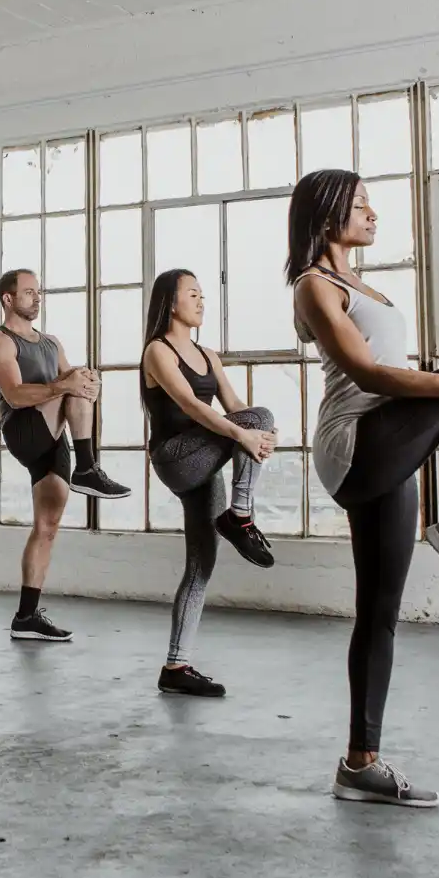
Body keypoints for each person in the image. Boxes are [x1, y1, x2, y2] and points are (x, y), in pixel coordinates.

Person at [287, 169, 439, 810]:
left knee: (379, 614)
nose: (373, 213)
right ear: (326, 214)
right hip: (353, 442)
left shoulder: (368, 287)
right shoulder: (313, 285)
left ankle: (360, 764)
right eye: (359, 204)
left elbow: (406, 376)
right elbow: (365, 371)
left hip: (387, 445)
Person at [140, 269, 278, 698]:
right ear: (171, 303)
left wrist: (259, 440)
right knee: (255, 421)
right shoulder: (157, 352)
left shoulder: (208, 355)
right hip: (175, 458)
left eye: (203, 295)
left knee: (202, 566)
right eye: (193, 294)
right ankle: (240, 517)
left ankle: (175, 667)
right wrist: (246, 433)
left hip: (203, 460)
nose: (202, 301)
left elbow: (234, 407)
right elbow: (190, 406)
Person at [0, 268, 131, 643]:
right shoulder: (1, 343)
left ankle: (26, 616)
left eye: (39, 292)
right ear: (8, 299)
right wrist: (68, 385)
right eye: (29, 292)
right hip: (24, 429)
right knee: (71, 387)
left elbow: (72, 379)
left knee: (47, 527)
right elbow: (16, 395)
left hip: (53, 438)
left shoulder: (51, 342)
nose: (37, 298)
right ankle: (87, 468)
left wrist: (88, 383)